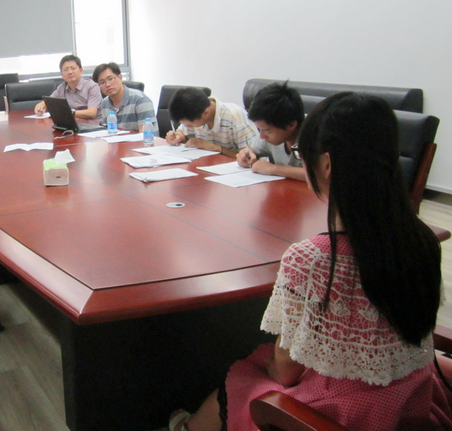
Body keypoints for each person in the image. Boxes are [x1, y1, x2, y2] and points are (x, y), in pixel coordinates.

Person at [168, 93, 452, 431]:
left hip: (340, 415)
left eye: (302, 154)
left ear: (327, 165)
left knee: (244, 373)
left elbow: (286, 371)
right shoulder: (423, 240)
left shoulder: (313, 258)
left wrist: (272, 365)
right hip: (410, 401)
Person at [235, 82, 306, 181]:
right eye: (259, 129)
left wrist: (273, 169)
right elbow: (251, 150)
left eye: (267, 131)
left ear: (291, 125)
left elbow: (320, 176)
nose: (262, 136)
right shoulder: (272, 134)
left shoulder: (315, 135)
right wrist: (245, 155)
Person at [165, 87, 258, 158]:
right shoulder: (194, 112)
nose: (188, 127)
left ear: (205, 113)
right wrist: (178, 136)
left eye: (189, 125)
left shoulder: (235, 117)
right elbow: (184, 132)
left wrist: (217, 148)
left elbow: (253, 158)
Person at [92, 62, 157, 133]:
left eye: (110, 79)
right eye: (102, 82)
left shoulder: (141, 100)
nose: (107, 84)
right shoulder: (104, 103)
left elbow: (146, 135)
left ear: (120, 78)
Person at [33, 54, 102, 120]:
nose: (70, 72)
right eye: (66, 70)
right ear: (62, 74)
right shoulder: (61, 88)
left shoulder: (92, 86)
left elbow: (92, 113)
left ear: (81, 71)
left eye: (73, 68)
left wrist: (69, 113)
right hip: (74, 124)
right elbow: (49, 102)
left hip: (93, 125)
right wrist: (42, 105)